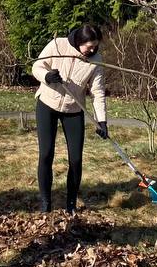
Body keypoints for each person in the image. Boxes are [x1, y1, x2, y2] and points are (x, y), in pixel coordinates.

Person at [31, 23, 107, 216]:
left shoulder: (96, 60)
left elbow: (97, 92)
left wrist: (102, 121)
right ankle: (45, 202)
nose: (93, 50)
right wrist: (47, 76)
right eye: (89, 47)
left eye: (95, 46)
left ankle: (71, 204)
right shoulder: (58, 45)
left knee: (76, 159)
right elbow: (37, 66)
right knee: (46, 154)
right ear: (80, 41)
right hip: (47, 104)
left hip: (74, 109)